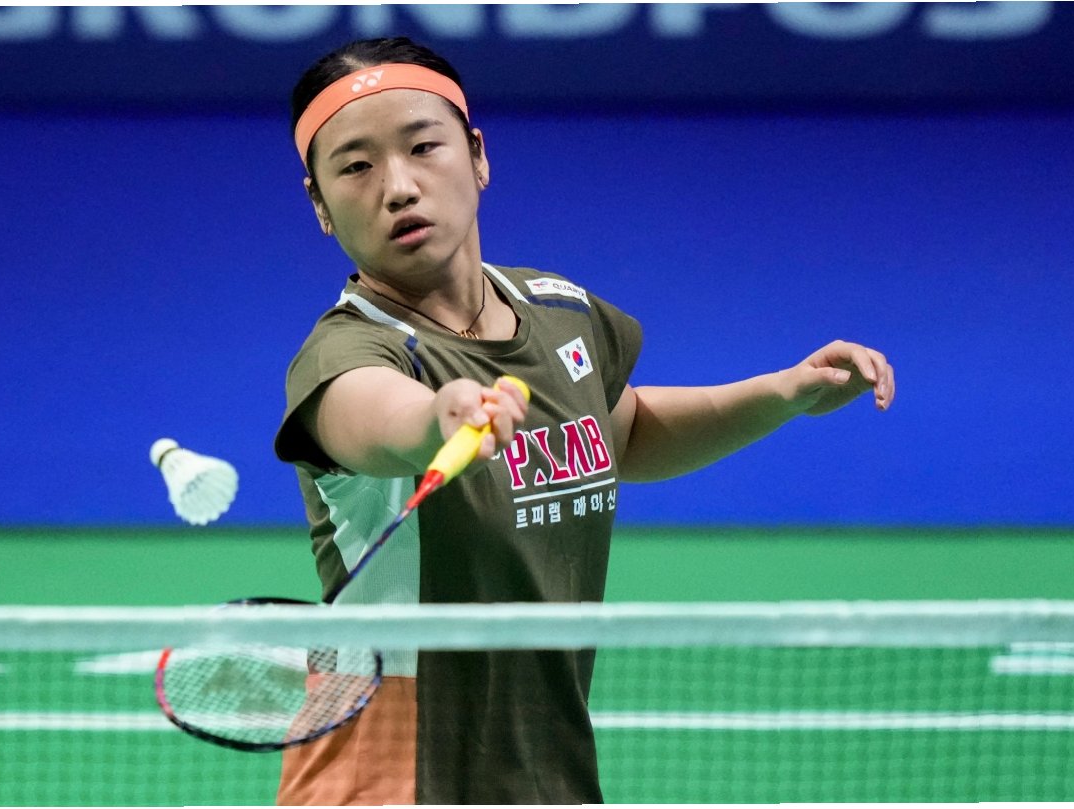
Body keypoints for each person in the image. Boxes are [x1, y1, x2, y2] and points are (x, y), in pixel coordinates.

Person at [273, 36, 895, 806]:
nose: (398, 186)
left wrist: (781, 394)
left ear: (477, 156)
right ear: (320, 204)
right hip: (393, 777)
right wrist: (437, 417)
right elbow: (372, 418)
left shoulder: (558, 311)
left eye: (423, 147)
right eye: (356, 167)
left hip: (545, 766)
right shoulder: (347, 353)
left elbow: (623, 433)